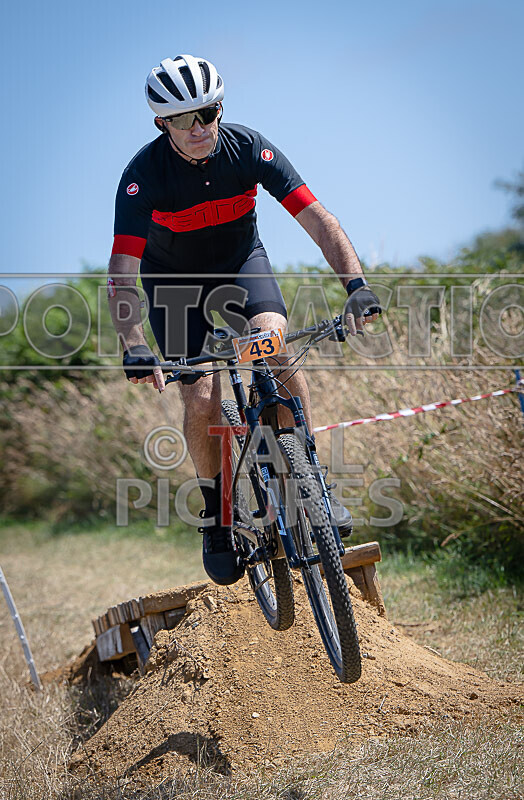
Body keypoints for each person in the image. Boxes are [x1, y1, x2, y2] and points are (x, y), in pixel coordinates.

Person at [107, 54, 382, 586]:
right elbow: (123, 271)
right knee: (203, 393)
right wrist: (133, 342)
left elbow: (319, 221)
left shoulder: (249, 148)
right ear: (161, 123)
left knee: (273, 344)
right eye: (182, 120)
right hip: (173, 283)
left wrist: (357, 287)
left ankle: (312, 484)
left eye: (206, 114)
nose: (198, 129)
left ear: (220, 109)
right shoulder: (141, 178)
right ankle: (216, 517)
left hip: (239, 265)